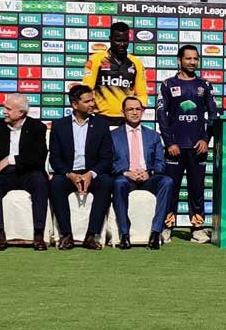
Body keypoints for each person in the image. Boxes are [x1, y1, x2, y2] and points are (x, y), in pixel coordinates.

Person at [156, 45, 218, 244]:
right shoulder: (167, 84)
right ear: (179, 60)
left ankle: (197, 228)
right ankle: (167, 227)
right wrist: (169, 142)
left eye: (196, 59)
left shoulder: (204, 85)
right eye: (188, 58)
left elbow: (213, 114)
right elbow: (161, 116)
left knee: (197, 189)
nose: (192, 62)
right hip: (175, 148)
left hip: (197, 147)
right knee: (171, 189)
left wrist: (205, 139)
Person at [48, 85, 114, 250]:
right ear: (75, 105)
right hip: (68, 174)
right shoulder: (59, 125)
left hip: (92, 173)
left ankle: (92, 235)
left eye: (93, 99)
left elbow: (107, 158)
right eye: (88, 101)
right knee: (55, 184)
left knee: (106, 182)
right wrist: (69, 174)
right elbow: (55, 158)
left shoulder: (101, 125)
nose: (92, 104)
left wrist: (91, 174)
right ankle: (66, 235)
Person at [0, 93, 49, 251]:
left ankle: (38, 234)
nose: (4, 111)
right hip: (3, 174)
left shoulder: (37, 127)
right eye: (4, 107)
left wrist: (11, 159)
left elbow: (38, 157)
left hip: (29, 172)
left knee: (40, 181)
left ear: (21, 113)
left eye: (8, 108)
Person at [112, 97, 174, 250]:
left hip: (148, 178)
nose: (134, 112)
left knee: (167, 182)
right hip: (126, 178)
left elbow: (161, 162)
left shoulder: (153, 135)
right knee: (118, 183)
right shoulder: (112, 135)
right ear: (123, 112)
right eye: (130, 109)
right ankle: (124, 235)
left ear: (143, 111)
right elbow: (108, 163)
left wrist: (149, 172)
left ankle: (155, 233)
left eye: (137, 109)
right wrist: (126, 173)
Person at [82, 22, 147, 126]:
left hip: (125, 120)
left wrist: (136, 114)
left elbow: (142, 94)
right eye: (118, 40)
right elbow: (86, 89)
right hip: (99, 118)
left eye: (125, 41)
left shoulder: (136, 63)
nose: (122, 44)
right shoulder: (96, 59)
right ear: (110, 39)